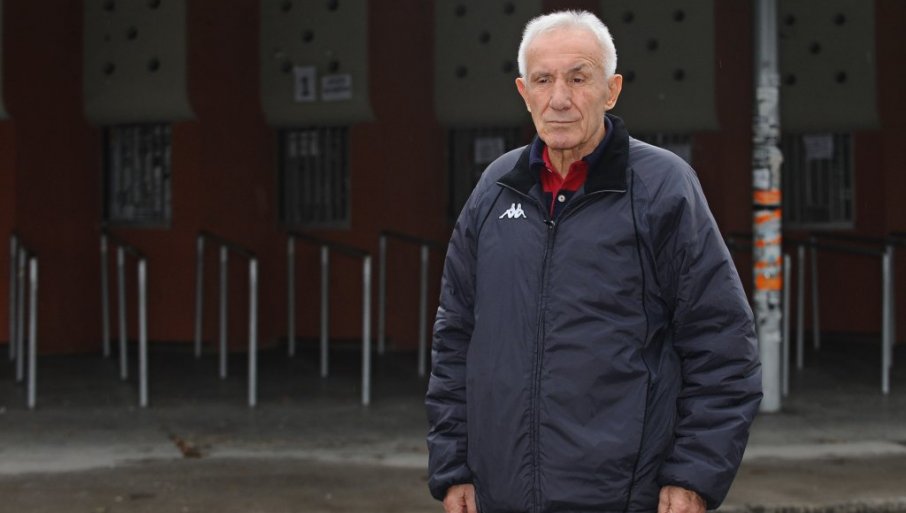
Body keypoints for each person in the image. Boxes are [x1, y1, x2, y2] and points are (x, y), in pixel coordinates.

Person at [426, 10, 762, 513]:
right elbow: (454, 337)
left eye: (579, 78)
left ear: (612, 90)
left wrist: (693, 475)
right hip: (501, 493)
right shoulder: (495, 188)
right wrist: (453, 466)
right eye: (543, 80)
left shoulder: (662, 188)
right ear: (524, 92)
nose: (559, 98)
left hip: (623, 495)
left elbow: (722, 342)